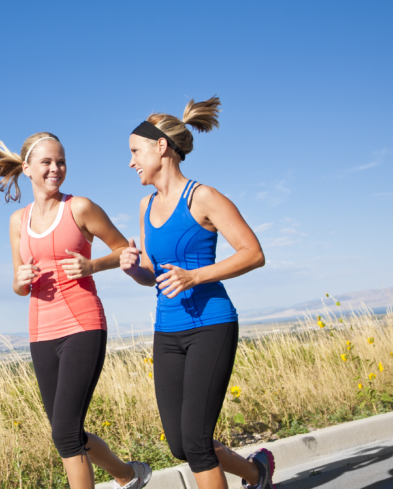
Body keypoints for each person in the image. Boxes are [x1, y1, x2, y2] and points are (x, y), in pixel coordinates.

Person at [0, 133, 152, 489]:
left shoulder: (80, 208)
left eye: (61, 161)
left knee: (66, 434)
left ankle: (128, 475)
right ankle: (129, 475)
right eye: (47, 162)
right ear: (27, 169)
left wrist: (92, 266)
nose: (56, 169)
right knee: (65, 430)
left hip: (83, 324)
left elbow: (124, 251)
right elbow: (17, 285)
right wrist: (21, 280)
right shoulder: (16, 222)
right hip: (41, 331)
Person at [119, 97, 276, 489]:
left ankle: (256, 475)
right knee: (180, 444)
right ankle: (257, 474)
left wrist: (196, 276)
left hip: (211, 324)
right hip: (167, 330)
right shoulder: (145, 204)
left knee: (197, 443)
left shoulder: (202, 197)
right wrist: (133, 268)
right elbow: (155, 274)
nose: (131, 162)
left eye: (135, 151)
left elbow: (253, 253)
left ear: (161, 148)